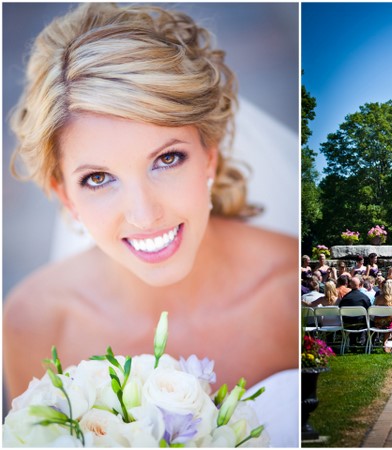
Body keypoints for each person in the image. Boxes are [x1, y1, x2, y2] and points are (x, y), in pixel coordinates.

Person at [3, 4, 298, 444]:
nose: (144, 215)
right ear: (64, 193)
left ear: (210, 154)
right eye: (98, 178)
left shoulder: (292, 292)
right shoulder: (37, 323)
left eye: (167, 158)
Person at [338, 277, 372, 348]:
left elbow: (340, 308)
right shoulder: (364, 297)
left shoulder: (345, 298)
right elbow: (369, 309)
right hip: (361, 322)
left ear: (350, 285)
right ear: (360, 285)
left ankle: (353, 341)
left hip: (347, 322)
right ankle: (363, 341)